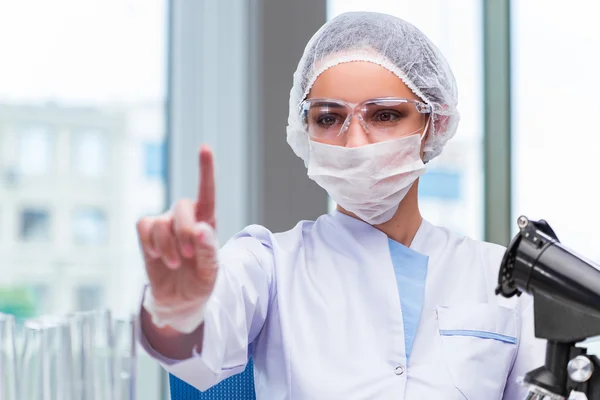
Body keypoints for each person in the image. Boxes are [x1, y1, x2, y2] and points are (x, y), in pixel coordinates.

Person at [136, 11, 544, 399]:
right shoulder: (269, 264)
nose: (354, 143)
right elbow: (198, 345)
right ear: (304, 130)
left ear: (433, 123)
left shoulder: (502, 278)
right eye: (329, 118)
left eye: (384, 115)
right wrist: (178, 311)